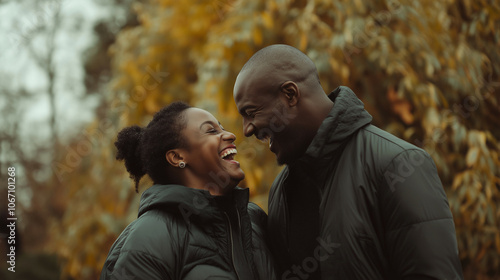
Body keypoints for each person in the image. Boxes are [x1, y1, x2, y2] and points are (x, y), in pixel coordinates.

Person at [233, 44, 464, 279]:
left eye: (251, 112)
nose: (247, 130)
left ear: (290, 95)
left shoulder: (398, 165)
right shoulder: (281, 191)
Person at [100, 102, 277, 280]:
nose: (230, 135)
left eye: (222, 128)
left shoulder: (254, 219)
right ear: (177, 157)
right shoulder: (149, 236)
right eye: (211, 131)